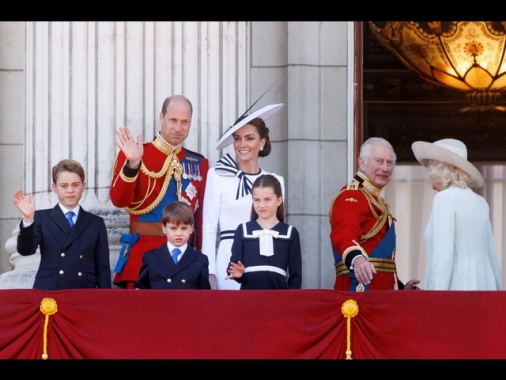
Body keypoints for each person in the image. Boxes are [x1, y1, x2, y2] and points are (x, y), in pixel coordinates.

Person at [110, 95, 208, 289]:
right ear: (161, 118)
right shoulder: (137, 153)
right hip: (143, 259)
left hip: (184, 261)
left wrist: (201, 258)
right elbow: (119, 200)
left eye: (184, 122)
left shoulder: (198, 162)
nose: (178, 128)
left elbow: (201, 217)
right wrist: (133, 164)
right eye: (173, 120)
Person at [202, 103, 285, 290]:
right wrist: (210, 272)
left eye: (249, 138)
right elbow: (208, 229)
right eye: (237, 139)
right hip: (227, 260)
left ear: (262, 142)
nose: (242, 144)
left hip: (264, 260)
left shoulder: (275, 181)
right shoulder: (217, 176)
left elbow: (278, 230)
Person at [329, 137, 420, 291]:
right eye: (379, 161)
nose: (385, 168)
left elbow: (380, 261)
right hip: (360, 290)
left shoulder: (374, 199)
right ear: (362, 163)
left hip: (380, 294)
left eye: (389, 163)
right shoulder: (352, 196)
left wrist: (400, 287)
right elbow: (344, 233)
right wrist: (357, 259)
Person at [411, 138, 502, 290]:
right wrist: (499, 292)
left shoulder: (444, 198)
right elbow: (491, 255)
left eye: (430, 167)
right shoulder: (480, 202)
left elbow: (443, 258)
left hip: (459, 288)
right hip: (485, 286)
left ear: (438, 169)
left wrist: (434, 299)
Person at [13, 159, 111, 290]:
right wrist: (28, 219)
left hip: (85, 290)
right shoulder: (41, 218)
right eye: (64, 186)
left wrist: (104, 301)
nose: (70, 190)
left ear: (83, 186)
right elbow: (26, 250)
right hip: (50, 290)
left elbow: (102, 266)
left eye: (75, 185)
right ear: (55, 188)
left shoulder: (96, 222)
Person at [226, 174, 302, 289]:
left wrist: (290, 302)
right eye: (257, 200)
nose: (262, 205)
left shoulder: (291, 233)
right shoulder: (242, 230)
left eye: (267, 200)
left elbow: (295, 277)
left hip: (279, 300)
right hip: (249, 297)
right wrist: (238, 274)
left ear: (279, 200)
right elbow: (233, 266)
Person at [134, 201, 211, 290]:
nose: (179, 233)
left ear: (191, 229)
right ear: (164, 228)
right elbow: (140, 289)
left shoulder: (200, 260)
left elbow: (204, 296)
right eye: (173, 228)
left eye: (184, 228)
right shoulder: (151, 257)